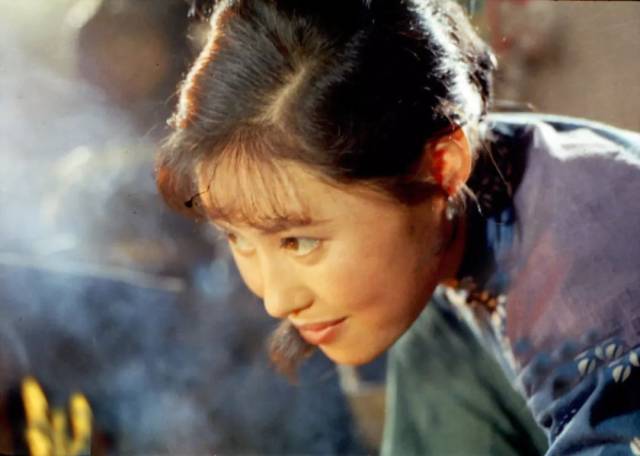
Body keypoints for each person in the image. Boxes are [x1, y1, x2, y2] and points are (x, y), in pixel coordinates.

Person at [156, 0, 640, 454]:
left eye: (298, 241)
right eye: (235, 237)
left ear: (442, 166)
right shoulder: (444, 259)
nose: (277, 300)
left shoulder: (590, 271)